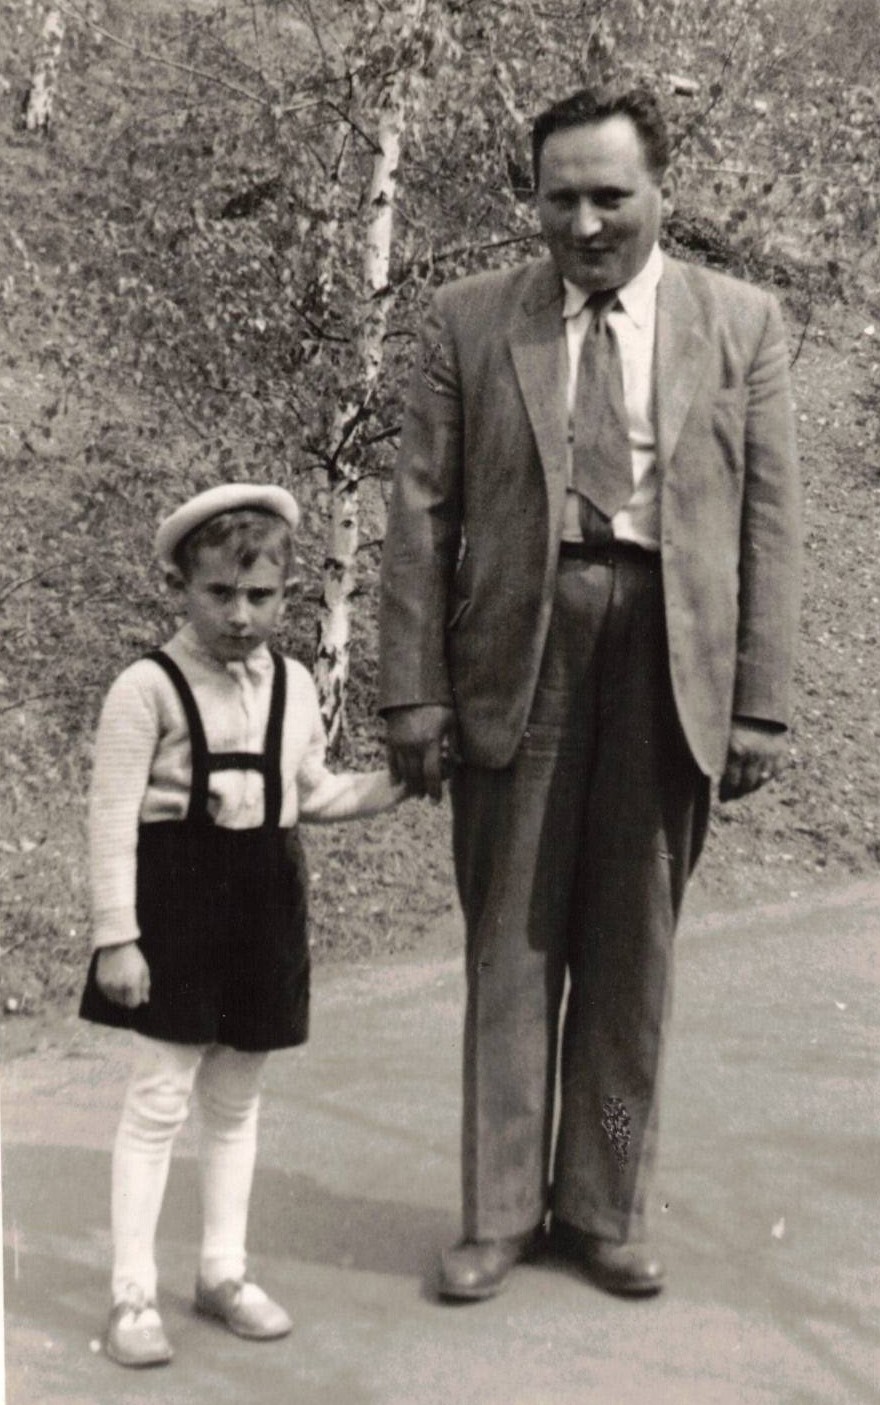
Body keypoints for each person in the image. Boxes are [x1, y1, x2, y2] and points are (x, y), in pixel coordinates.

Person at [379, 85, 801, 1301]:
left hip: (670, 662)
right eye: (558, 198)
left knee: (631, 958)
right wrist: (412, 692)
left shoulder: (741, 324)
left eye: (610, 196)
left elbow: (771, 525)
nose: (584, 223)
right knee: (510, 948)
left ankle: (605, 1206)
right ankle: (499, 1212)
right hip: (519, 654)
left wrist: (759, 700)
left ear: (661, 192)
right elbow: (420, 515)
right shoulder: (470, 320)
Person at [79, 483, 407, 1367]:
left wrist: (399, 783)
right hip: (175, 910)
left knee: (235, 1101)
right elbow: (111, 820)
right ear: (181, 586)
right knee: (159, 1097)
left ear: (287, 593)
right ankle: (132, 1291)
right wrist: (117, 935)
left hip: (264, 907)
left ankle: (222, 1270)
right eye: (219, 593)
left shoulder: (294, 685)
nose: (239, 615)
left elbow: (313, 792)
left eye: (259, 595)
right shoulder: (144, 688)